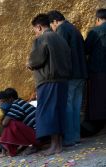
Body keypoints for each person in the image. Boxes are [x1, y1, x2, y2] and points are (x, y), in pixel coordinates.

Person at [27, 14, 72, 155]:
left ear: (39, 27)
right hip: (63, 80)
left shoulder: (41, 39)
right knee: (58, 112)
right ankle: (58, 145)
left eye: (35, 29)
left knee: (48, 113)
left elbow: (36, 60)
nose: (35, 32)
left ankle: (54, 146)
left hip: (48, 81)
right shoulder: (60, 38)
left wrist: (28, 63)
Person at [47, 10, 88, 146]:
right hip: (81, 73)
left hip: (70, 75)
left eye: (51, 26)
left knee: (68, 106)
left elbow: (61, 53)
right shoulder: (74, 28)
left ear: (54, 22)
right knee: (76, 107)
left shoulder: (62, 30)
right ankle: (75, 136)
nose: (52, 29)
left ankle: (70, 138)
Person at [0, 89, 37, 157]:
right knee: (11, 124)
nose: (1, 105)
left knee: (11, 123)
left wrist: (1, 117)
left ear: (10, 99)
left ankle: (32, 146)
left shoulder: (16, 105)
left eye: (3, 101)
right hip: (40, 133)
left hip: (38, 135)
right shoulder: (20, 102)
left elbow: (5, 123)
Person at [85, 8, 106, 125]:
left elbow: (86, 49)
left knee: (98, 100)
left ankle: (97, 124)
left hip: (97, 70)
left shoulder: (95, 31)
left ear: (97, 19)